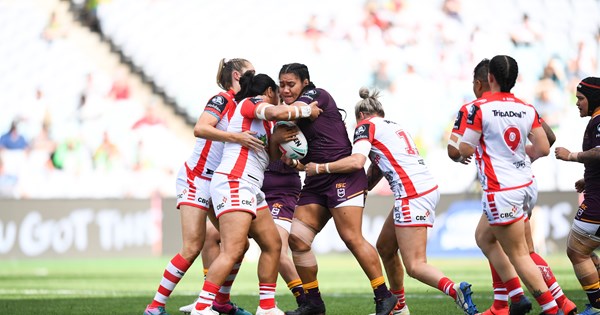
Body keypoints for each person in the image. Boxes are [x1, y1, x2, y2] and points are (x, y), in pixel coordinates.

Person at [305, 87, 478, 315]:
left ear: (360, 117)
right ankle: (399, 307)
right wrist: (364, 189)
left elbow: (357, 161)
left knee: (415, 265)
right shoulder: (394, 127)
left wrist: (319, 168)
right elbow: (377, 165)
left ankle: (455, 291)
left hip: (411, 194)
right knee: (385, 247)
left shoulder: (365, 126)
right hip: (422, 188)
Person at [448, 59, 576, 315]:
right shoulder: (525, 107)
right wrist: (515, 154)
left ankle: (552, 308)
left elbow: (463, 149)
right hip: (526, 185)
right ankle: (516, 302)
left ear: (488, 79)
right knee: (486, 237)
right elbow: (544, 146)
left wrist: (463, 152)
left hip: (502, 190)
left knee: (519, 255)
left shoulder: (477, 108)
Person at [190, 71, 321, 315]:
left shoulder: (265, 124)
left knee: (272, 244)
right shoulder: (250, 103)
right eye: (277, 93)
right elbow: (275, 111)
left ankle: (267, 307)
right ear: (269, 92)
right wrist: (306, 111)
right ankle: (202, 306)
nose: (279, 99)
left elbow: (270, 157)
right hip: (234, 181)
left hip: (250, 186)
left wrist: (277, 140)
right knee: (234, 249)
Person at [143, 58, 262, 315]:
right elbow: (200, 128)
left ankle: (218, 302)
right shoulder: (221, 99)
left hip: (220, 181)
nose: (256, 75)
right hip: (197, 178)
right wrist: (235, 137)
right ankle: (155, 306)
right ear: (237, 76)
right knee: (192, 247)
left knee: (239, 245)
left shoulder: (246, 105)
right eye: (251, 72)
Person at [278, 63, 397, 315]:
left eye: (291, 84)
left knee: (351, 237)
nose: (286, 89)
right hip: (317, 179)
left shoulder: (317, 95)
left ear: (305, 83)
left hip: (341, 174)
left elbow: (297, 110)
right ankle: (313, 303)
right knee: (298, 239)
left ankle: (383, 295)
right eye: (282, 85)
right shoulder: (292, 110)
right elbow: (306, 143)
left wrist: (296, 110)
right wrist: (296, 161)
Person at [555, 76, 600, 315]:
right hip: (595, 192)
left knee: (576, 250)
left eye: (581, 98)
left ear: (592, 98)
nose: (577, 103)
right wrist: (589, 178)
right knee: (585, 250)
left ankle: (596, 306)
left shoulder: (599, 120)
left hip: (597, 203)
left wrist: (571, 155)